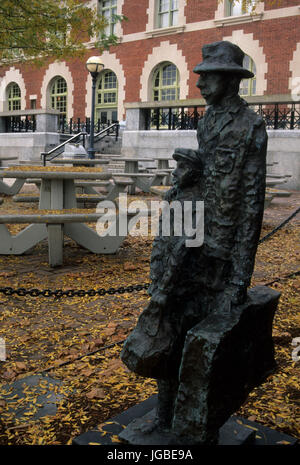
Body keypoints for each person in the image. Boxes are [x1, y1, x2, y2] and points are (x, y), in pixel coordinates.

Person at [121, 40, 268, 435]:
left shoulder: (251, 125)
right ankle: (165, 416)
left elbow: (252, 202)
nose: (199, 82)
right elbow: (200, 177)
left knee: (205, 345)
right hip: (191, 240)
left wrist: (240, 276)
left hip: (222, 252)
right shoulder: (207, 122)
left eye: (208, 74)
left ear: (231, 79)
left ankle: (198, 427)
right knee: (171, 328)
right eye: (199, 74)